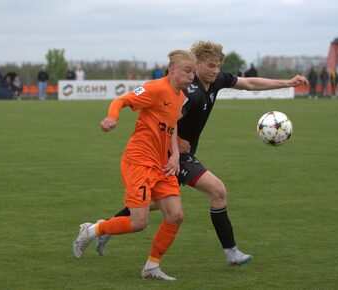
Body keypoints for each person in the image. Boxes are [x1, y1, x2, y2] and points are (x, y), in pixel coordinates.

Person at [99, 40, 308, 267]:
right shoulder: (190, 92)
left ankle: (107, 227)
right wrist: (177, 145)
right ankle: (231, 252)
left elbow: (249, 82)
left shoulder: (216, 80)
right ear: (196, 65)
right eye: (210, 66)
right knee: (217, 191)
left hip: (177, 155)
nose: (215, 71)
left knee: (152, 203)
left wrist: (287, 82)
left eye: (218, 66)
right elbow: (170, 118)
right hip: (171, 156)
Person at [72, 49, 197, 281]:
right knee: (139, 222)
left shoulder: (180, 96)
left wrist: (175, 154)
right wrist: (113, 117)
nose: (191, 76)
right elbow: (121, 100)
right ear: (172, 69)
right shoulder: (155, 88)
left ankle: (151, 267)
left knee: (176, 215)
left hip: (162, 164)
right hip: (139, 161)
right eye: (187, 71)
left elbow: (170, 125)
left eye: (193, 72)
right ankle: (92, 230)